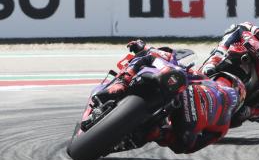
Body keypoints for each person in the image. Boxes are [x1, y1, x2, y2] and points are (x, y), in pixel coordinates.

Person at [99, 40, 246, 154]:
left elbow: (170, 62)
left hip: (185, 92)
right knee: (182, 143)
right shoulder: (223, 126)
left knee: (153, 57)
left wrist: (143, 48)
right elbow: (191, 147)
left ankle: (123, 80)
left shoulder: (206, 80)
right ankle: (156, 132)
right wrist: (164, 136)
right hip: (188, 120)